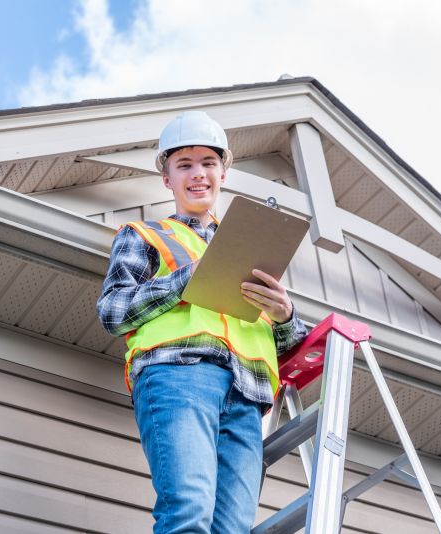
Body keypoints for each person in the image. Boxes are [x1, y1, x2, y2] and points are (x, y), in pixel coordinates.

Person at [97, 111, 307, 534]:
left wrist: (285, 313)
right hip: (180, 376)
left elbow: (290, 345)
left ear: (223, 173)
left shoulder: (252, 248)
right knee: (189, 512)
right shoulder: (145, 235)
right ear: (167, 178)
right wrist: (184, 280)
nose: (198, 175)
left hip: (246, 396)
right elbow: (114, 313)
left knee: (230, 529)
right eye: (185, 165)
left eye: (208, 164)